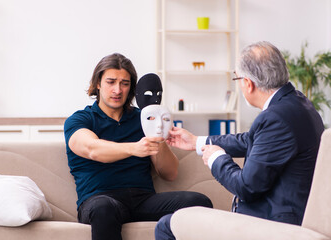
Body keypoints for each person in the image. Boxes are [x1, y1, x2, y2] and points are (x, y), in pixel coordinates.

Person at [155, 41, 324, 239]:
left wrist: (216, 159)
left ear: (248, 83)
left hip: (272, 225)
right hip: (289, 217)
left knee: (167, 226)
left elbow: (247, 188)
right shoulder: (298, 103)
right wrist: (197, 142)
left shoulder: (275, 117)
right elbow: (251, 140)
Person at [63, 53, 213, 240]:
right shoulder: (80, 119)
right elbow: (92, 149)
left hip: (143, 199)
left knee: (199, 202)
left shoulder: (144, 118)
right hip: (99, 199)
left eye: (124, 83)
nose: (118, 90)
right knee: (104, 208)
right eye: (111, 82)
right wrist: (134, 148)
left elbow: (170, 174)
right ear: (98, 84)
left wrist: (156, 136)